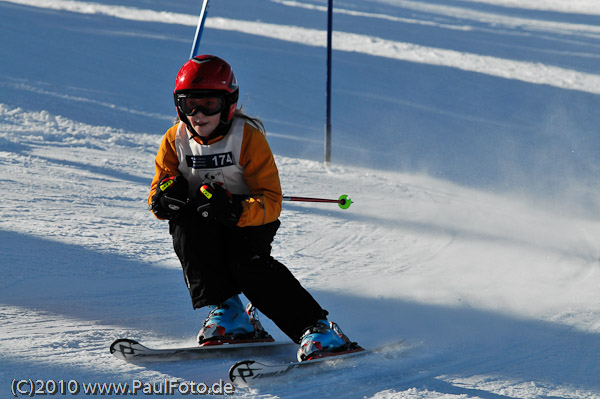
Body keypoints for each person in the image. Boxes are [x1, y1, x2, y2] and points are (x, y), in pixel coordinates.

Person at [148, 55, 360, 361]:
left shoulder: (247, 137)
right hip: (204, 218)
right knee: (184, 227)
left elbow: (271, 201)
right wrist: (164, 198)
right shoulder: (175, 139)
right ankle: (231, 313)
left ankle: (318, 329)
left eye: (209, 104)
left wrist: (235, 210)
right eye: (189, 104)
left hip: (250, 220)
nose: (198, 114)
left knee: (247, 265)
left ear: (229, 103)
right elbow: (160, 187)